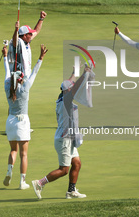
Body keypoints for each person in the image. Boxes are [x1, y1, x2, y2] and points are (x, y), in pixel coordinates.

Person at [32, 64, 95, 199]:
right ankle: (39, 183)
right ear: (68, 91)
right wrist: (84, 74)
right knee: (64, 170)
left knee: (77, 163)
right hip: (64, 139)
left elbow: (69, 84)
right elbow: (74, 87)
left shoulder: (63, 95)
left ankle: (71, 191)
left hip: (68, 138)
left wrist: (74, 72)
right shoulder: (66, 99)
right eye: (71, 89)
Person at [2, 43, 48, 190]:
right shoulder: (25, 89)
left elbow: (7, 72)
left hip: (10, 121)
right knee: (24, 154)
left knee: (13, 150)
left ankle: (9, 170)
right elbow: (34, 72)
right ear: (21, 79)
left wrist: (5, 56)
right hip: (22, 122)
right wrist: (40, 57)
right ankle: (22, 182)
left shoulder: (7, 88)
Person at [8, 11, 47, 76]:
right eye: (30, 34)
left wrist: (41, 19)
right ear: (25, 35)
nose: (32, 35)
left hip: (25, 75)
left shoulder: (26, 41)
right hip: (17, 76)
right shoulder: (18, 43)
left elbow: (36, 31)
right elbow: (15, 41)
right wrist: (16, 30)